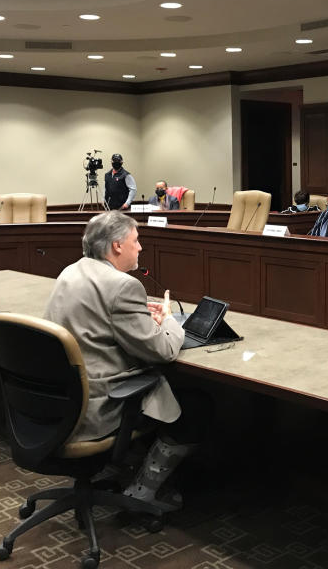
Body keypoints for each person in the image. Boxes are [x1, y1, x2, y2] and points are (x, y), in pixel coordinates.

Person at [43, 211, 198, 509]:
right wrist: (167, 320)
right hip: (99, 404)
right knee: (195, 406)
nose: (140, 248)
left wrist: (138, 317)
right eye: (136, 241)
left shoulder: (70, 272)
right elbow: (163, 350)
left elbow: (101, 322)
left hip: (61, 397)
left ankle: (119, 465)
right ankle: (143, 491)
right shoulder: (123, 286)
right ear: (116, 246)